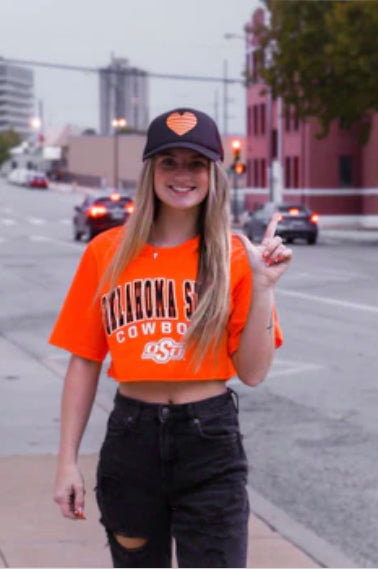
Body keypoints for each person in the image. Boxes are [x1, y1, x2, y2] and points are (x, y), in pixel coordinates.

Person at [50, 107, 292, 568]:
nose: (183, 175)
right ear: (150, 171)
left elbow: (254, 373)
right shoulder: (108, 252)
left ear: (213, 174)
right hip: (131, 440)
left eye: (196, 163)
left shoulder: (236, 256)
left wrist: (263, 288)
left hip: (210, 442)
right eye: (169, 162)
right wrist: (66, 462)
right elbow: (84, 360)